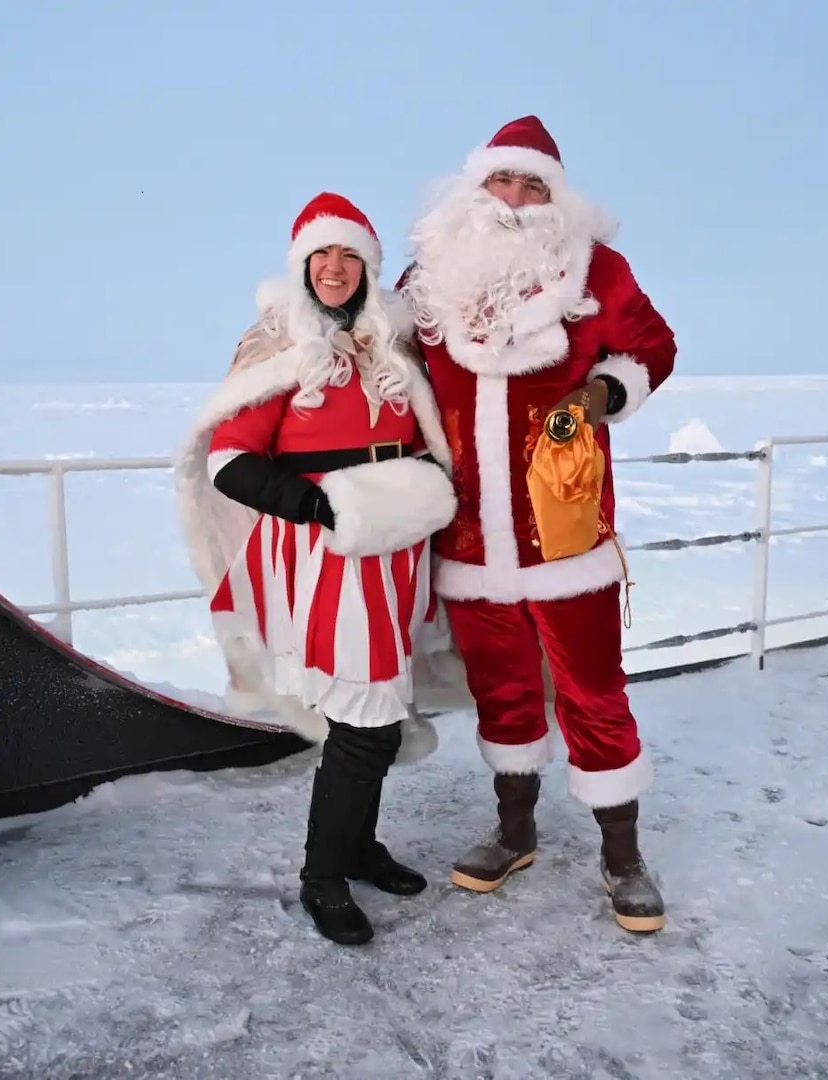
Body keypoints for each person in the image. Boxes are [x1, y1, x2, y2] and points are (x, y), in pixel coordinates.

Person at [399, 116, 677, 932]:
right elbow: (381, 359)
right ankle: (513, 829)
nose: (516, 199)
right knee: (503, 693)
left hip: (565, 536)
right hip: (469, 538)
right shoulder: (430, 277)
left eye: (533, 186)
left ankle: (622, 853)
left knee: (594, 692)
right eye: (502, 181)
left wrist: (599, 397)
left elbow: (653, 347)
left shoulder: (600, 270)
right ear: (472, 190)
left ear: (557, 200)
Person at [174, 191, 457, 946]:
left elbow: (427, 435)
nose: (334, 268)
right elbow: (232, 464)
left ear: (368, 265)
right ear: (301, 267)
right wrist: (326, 509)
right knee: (364, 725)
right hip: (324, 557)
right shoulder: (275, 347)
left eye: (349, 255)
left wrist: (422, 490)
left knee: (377, 717)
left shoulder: (391, 347)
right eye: (320, 256)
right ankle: (322, 877)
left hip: (396, 555)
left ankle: (358, 849)